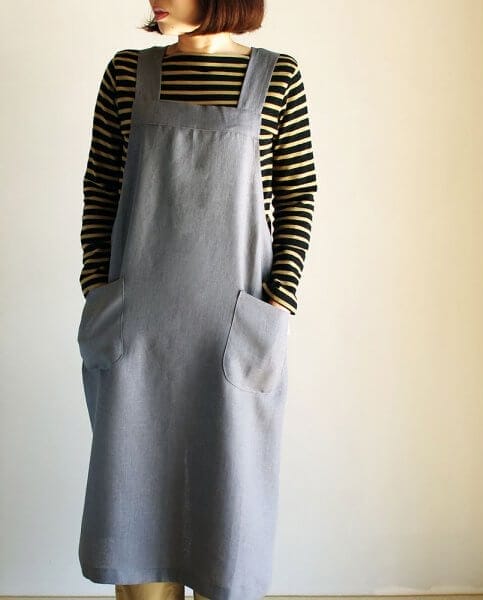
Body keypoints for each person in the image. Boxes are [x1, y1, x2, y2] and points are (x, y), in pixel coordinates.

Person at [77, 1, 318, 599]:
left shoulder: (277, 78)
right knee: (136, 530)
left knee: (227, 534)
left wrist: (277, 306)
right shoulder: (127, 74)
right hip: (137, 341)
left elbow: (297, 197)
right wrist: (98, 292)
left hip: (232, 340)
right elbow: (100, 188)